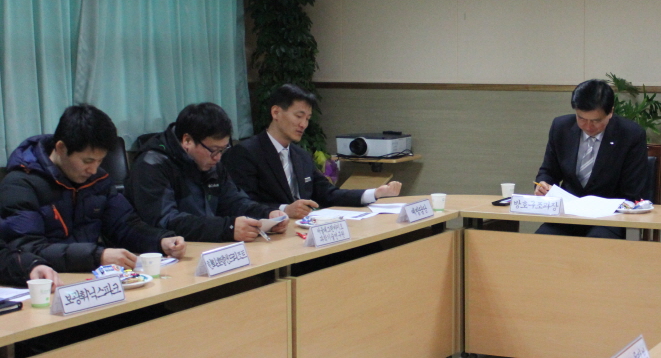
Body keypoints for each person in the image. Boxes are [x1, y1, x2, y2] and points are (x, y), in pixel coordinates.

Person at [0, 104, 185, 276]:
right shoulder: (20, 184)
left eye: (100, 161)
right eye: (87, 161)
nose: (94, 170)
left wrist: (160, 240)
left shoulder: (97, 180)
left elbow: (124, 225)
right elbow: (27, 248)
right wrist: (97, 256)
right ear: (61, 148)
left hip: (89, 277)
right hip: (49, 281)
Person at [223, 84, 400, 219]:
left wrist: (375, 193)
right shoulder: (245, 152)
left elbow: (328, 193)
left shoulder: (301, 155)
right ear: (276, 112)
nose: (304, 124)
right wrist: (285, 209)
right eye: (299, 116)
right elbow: (241, 204)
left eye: (307, 118)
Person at [127, 103, 287, 243]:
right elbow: (165, 221)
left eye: (222, 150)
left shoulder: (210, 161)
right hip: (165, 254)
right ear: (187, 140)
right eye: (214, 150)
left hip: (206, 246)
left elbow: (234, 201)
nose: (218, 158)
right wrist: (227, 228)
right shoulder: (151, 164)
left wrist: (267, 215)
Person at [533, 79, 647, 239]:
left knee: (596, 243)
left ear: (610, 112)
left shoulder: (630, 134)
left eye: (596, 120)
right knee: (541, 240)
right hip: (568, 214)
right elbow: (548, 171)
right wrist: (543, 185)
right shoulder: (561, 127)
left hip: (609, 217)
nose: (588, 126)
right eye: (581, 118)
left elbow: (632, 190)